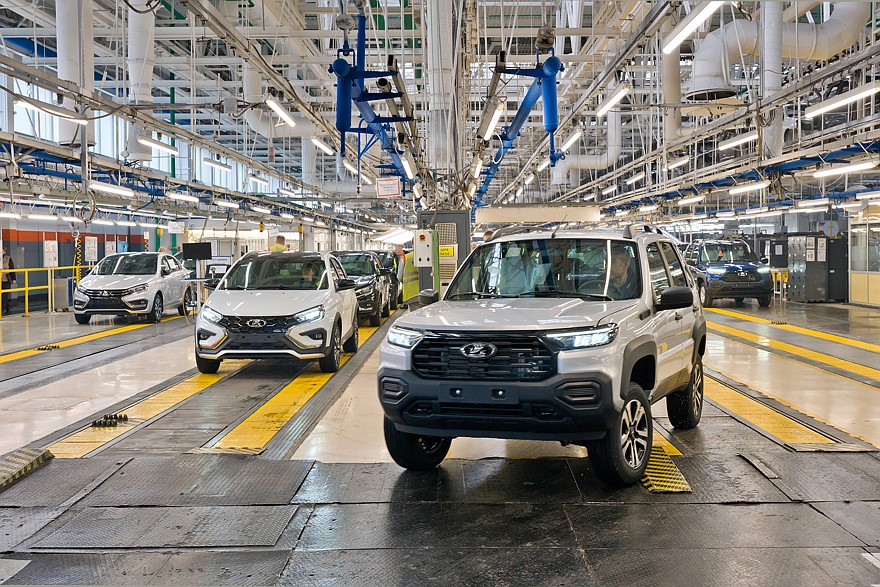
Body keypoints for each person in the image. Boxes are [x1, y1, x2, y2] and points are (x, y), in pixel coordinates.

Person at [1, 245, 16, 312]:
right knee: (2, 295)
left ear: (4, 251)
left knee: (4, 295)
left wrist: (14, 279)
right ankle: (7, 305)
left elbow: (12, 269)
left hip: (6, 280)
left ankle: (1, 310)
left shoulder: (8, 258)